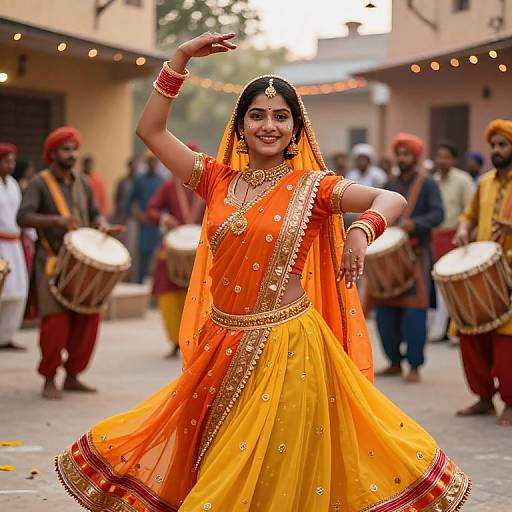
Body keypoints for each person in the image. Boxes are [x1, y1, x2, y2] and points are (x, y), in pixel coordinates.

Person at [56, 33, 470, 511]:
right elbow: (150, 131)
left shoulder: (313, 187)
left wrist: (362, 231)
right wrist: (181, 57)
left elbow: (390, 199)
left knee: (266, 473)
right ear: (241, 125)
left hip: (289, 348)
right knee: (218, 463)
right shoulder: (215, 179)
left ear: (296, 130)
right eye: (257, 114)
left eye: (280, 117)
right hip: (222, 346)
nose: (268, 125)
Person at [17, 127, 121, 400]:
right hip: (52, 261)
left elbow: (96, 214)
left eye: (74, 149)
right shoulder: (40, 183)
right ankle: (49, 378)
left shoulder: (83, 182)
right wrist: (55, 221)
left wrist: (103, 226)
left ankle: (73, 376)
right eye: (66, 150)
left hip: (81, 263)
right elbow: (23, 217)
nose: (72, 154)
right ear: (52, 154)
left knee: (88, 322)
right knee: (55, 325)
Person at [453, 118, 512, 426]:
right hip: (483, 271)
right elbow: (469, 215)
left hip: (510, 271)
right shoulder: (485, 182)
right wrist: (464, 230)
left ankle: (511, 403)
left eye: (503, 145)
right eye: (494, 146)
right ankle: (484, 397)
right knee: (471, 335)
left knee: (507, 344)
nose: (497, 150)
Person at [375, 133, 444, 383]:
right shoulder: (389, 182)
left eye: (407, 154)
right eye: (399, 154)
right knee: (385, 312)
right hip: (388, 257)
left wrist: (414, 224)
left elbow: (438, 214)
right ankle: (394, 361)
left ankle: (414, 366)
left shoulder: (428, 185)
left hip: (416, 255)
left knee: (415, 314)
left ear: (415, 157)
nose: (402, 158)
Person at [146, 145, 205, 357]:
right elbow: (151, 210)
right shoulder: (169, 186)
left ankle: (197, 341)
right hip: (172, 250)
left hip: (202, 250)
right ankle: (175, 341)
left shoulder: (207, 185)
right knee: (168, 297)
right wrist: (163, 218)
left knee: (200, 299)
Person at [429, 142, 475, 342]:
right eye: (439, 156)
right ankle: (440, 329)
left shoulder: (463, 180)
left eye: (446, 156)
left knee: (457, 285)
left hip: (456, 236)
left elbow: (471, 211)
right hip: (436, 236)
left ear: (454, 160)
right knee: (439, 286)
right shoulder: (433, 181)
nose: (442, 160)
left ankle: (457, 329)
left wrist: (467, 236)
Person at [0, 144, 29, 351]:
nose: (11, 165)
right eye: (6, 160)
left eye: (12, 161)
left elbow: (21, 214)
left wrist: (29, 236)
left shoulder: (13, 184)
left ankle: (6, 336)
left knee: (18, 291)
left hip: (15, 245)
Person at [127, 151, 165, 283]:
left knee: (158, 254)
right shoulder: (139, 180)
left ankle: (156, 285)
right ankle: (139, 282)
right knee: (143, 251)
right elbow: (132, 201)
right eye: (150, 161)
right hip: (144, 222)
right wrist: (139, 216)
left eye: (154, 161)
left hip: (158, 224)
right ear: (146, 163)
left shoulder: (162, 180)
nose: (152, 164)